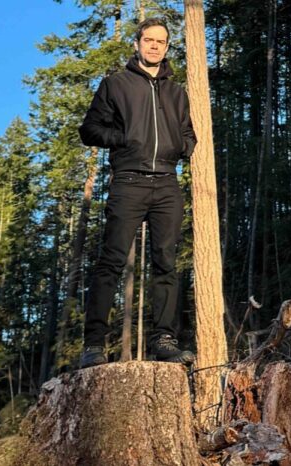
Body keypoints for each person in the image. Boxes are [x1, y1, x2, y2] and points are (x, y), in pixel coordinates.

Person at [77, 18, 197, 368]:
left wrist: (182, 147)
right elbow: (89, 130)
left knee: (166, 263)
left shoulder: (177, 92)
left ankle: (164, 340)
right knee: (112, 261)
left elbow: (189, 134)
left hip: (167, 183)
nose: (155, 46)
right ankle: (94, 345)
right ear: (137, 44)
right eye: (149, 40)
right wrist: (125, 139)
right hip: (128, 181)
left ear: (167, 47)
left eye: (161, 41)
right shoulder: (115, 84)